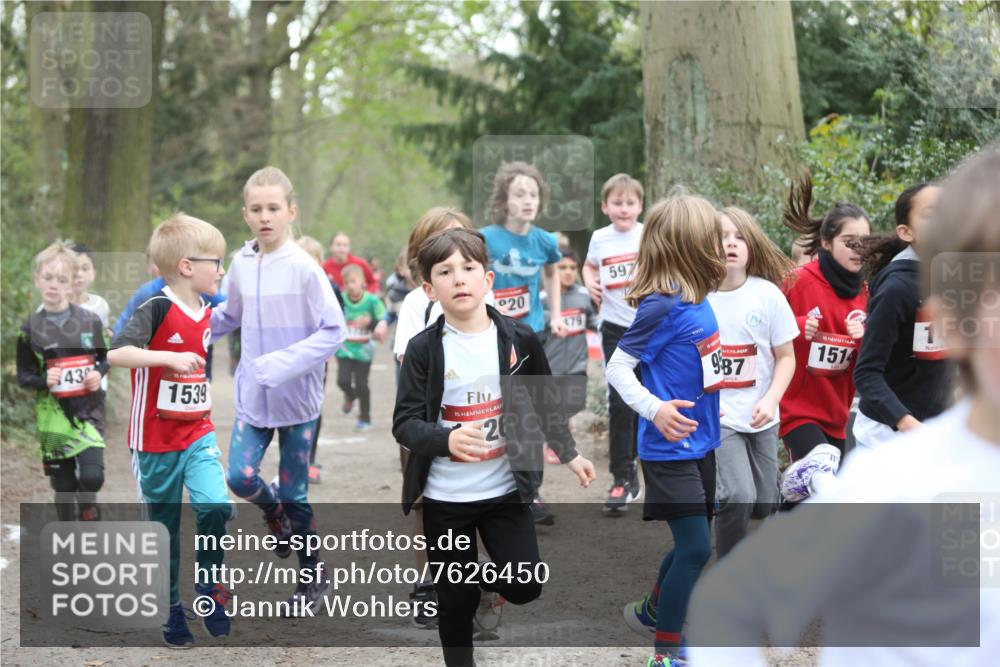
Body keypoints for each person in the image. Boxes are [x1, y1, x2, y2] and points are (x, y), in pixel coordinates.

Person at [687, 144, 1000, 667]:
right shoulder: (890, 485)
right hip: (805, 410)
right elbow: (727, 606)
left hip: (841, 412)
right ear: (950, 324)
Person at [393, 228, 596, 667]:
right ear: (430, 289)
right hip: (446, 498)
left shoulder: (519, 339)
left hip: (504, 492)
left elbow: (545, 402)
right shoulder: (423, 350)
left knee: (525, 585)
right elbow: (404, 424)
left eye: (468, 269)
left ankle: (468, 579)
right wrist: (444, 439)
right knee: (455, 604)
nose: (459, 279)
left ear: (488, 280)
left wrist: (570, 452)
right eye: (446, 272)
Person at [210, 166, 346, 614]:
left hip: (298, 401)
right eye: (256, 209)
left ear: (291, 211)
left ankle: (313, 574)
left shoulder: (306, 269)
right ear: (245, 214)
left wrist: (282, 364)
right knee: (239, 477)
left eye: (273, 208)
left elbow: (334, 331)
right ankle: (273, 513)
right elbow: (229, 316)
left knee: (297, 495)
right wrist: (186, 330)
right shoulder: (241, 262)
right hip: (253, 397)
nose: (265, 216)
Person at [605, 194, 727, 667]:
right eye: (712, 238)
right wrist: (654, 409)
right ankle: (666, 654)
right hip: (668, 447)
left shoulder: (698, 296)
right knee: (696, 548)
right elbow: (618, 368)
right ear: (690, 245)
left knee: (692, 546)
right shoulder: (662, 305)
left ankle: (654, 608)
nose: (719, 245)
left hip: (705, 443)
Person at [107, 214, 233, 647]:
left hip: (197, 432)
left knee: (216, 505)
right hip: (154, 441)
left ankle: (209, 587)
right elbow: (117, 353)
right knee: (163, 531)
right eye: (216, 261)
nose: (221, 270)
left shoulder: (211, 309)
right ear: (185, 266)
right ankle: (170, 609)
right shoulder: (156, 307)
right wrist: (166, 358)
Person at [706, 207, 798, 557]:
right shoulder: (700, 296)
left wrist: (772, 399)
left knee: (762, 503)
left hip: (762, 413)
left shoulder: (767, 294)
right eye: (722, 237)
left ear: (752, 245)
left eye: (739, 236)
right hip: (721, 415)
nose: (731, 244)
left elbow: (786, 356)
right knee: (739, 496)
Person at [851, 183, 953, 449]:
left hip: (935, 434)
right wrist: (909, 425)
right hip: (885, 438)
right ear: (906, 232)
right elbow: (867, 373)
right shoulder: (897, 289)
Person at [779, 173, 871, 462]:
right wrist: (794, 326)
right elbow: (762, 331)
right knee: (820, 478)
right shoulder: (798, 282)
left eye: (864, 242)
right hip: (798, 412)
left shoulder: (868, 292)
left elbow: (871, 364)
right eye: (849, 241)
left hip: (837, 413)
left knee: (817, 498)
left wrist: (864, 341)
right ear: (826, 243)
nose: (858, 250)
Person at [17, 241, 107, 523]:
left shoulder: (89, 321)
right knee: (63, 485)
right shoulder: (30, 328)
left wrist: (97, 374)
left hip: (87, 412)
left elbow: (105, 358)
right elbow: (24, 377)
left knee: (92, 478)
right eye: (48, 278)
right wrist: (45, 380)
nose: (54, 285)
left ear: (72, 285)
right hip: (52, 419)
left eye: (62, 280)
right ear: (37, 280)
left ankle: (88, 498)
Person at [583, 172, 645, 513]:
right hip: (614, 327)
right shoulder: (600, 238)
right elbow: (589, 266)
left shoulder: (648, 233)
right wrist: (590, 281)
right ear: (605, 206)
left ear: (640, 206)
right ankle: (622, 478)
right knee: (620, 401)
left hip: (651, 327)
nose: (624, 209)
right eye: (617, 203)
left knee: (652, 396)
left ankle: (654, 472)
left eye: (630, 203)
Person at [533, 248, 598, 524]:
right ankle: (554, 437)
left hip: (577, 366)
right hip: (550, 366)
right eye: (562, 268)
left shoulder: (584, 297)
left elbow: (595, 322)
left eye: (573, 267)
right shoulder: (544, 300)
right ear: (552, 272)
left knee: (576, 402)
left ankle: (558, 428)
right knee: (550, 409)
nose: (568, 272)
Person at [481, 161, 566, 337]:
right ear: (504, 201)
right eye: (519, 195)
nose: (528, 201)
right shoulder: (483, 239)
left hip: (532, 329)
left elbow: (551, 274)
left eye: (533, 195)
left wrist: (556, 316)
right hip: (491, 328)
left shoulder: (547, 241)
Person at [113, 251, 226, 379]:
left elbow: (228, 310)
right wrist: (170, 358)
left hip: (197, 375)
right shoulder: (149, 294)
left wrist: (203, 383)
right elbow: (123, 329)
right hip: (155, 385)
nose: (222, 271)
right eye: (216, 263)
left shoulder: (205, 297)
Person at [336, 263, 387, 431]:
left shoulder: (371, 301)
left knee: (361, 384)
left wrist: (373, 323)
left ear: (362, 282)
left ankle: (365, 418)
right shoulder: (341, 299)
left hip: (364, 351)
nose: (350, 286)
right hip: (345, 350)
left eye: (353, 281)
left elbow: (383, 318)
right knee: (342, 381)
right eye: (347, 282)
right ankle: (350, 397)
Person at [69, 243, 110, 330]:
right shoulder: (51, 307)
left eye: (85, 268)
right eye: (74, 268)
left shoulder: (101, 305)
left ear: (94, 273)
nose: (79, 274)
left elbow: (104, 338)